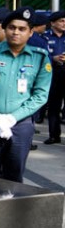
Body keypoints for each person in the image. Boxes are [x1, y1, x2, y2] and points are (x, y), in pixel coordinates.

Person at [0, 7, 51, 182]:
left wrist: (12, 118)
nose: (16, 32)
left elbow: (40, 95)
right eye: (11, 27)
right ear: (4, 28)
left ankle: (13, 209)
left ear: (31, 32)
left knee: (15, 173)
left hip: (20, 125)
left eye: (22, 28)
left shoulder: (39, 58)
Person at [44, 10, 65, 144]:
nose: (64, 23)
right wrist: (53, 58)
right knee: (54, 106)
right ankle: (54, 135)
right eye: (61, 21)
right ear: (53, 23)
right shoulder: (45, 37)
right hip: (52, 74)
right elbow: (42, 54)